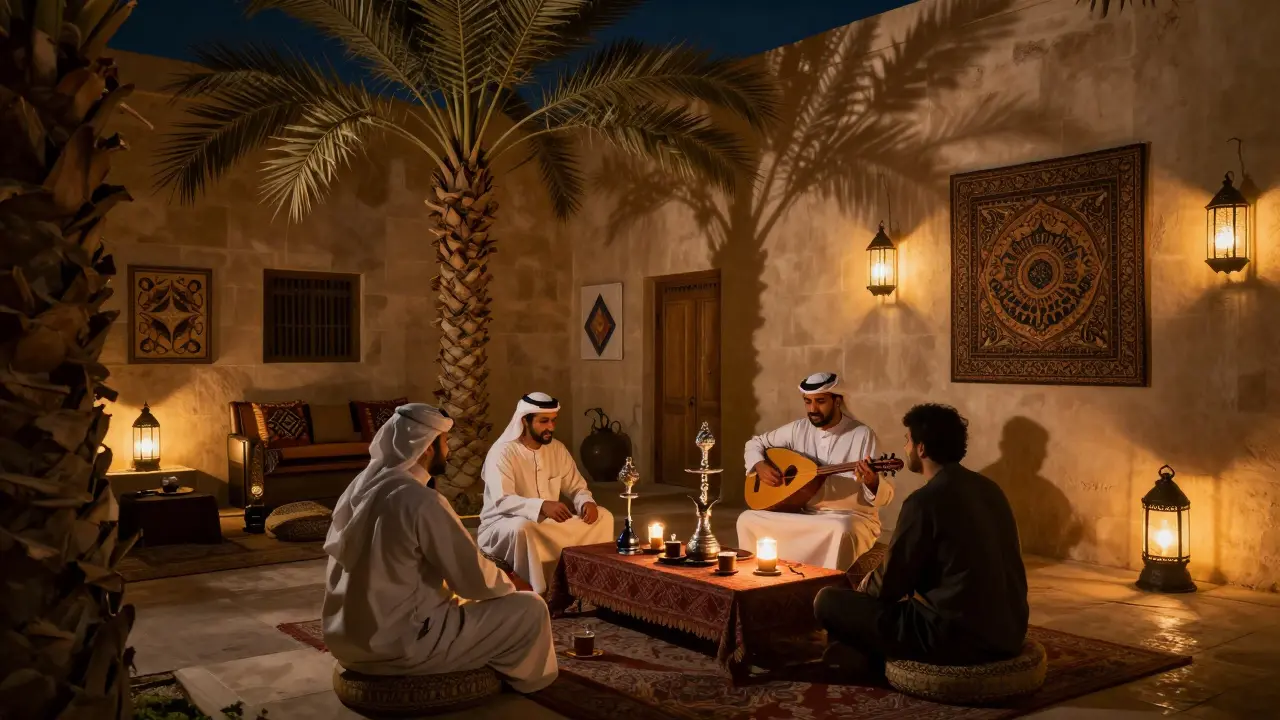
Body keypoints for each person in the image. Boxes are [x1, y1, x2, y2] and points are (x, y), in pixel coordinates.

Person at [322, 403, 557, 692]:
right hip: (402, 644)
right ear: (426, 447)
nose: (450, 451)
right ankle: (530, 683)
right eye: (445, 442)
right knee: (530, 608)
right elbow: (474, 581)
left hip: (348, 643)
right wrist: (510, 587)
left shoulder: (359, 489)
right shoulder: (420, 500)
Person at [814, 403, 1029, 678]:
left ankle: (860, 657)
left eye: (907, 440)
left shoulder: (923, 502)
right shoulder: (991, 489)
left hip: (955, 637)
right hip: (1009, 631)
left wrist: (862, 587)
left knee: (828, 600)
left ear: (921, 449)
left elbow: (889, 586)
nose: (905, 447)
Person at [736, 372, 894, 569]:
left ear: (837, 401)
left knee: (841, 529)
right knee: (748, 519)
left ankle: (826, 589)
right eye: (807, 402)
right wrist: (759, 465)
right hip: (806, 513)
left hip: (852, 516)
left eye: (820, 401)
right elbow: (755, 443)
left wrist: (872, 482)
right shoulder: (798, 429)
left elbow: (885, 496)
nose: (813, 409)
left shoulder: (862, 434)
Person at [478, 393, 614, 594]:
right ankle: (539, 593)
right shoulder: (503, 452)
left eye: (553, 421)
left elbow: (576, 487)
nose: (551, 427)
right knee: (523, 527)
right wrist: (542, 506)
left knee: (603, 517)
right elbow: (502, 500)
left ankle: (594, 588)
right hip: (503, 524)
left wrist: (586, 502)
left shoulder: (557, 449)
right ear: (525, 420)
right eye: (544, 421)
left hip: (548, 526)